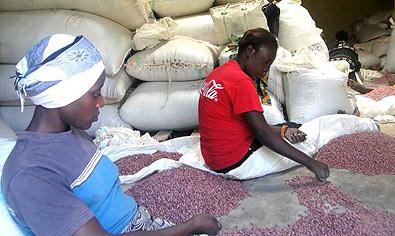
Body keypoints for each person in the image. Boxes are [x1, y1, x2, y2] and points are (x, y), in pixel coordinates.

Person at [1, 34, 221, 236]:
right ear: (62, 97)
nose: (101, 102)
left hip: (138, 224)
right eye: (95, 94)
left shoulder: (70, 133)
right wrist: (188, 227)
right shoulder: (30, 174)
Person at [198, 28, 330, 180]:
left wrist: (283, 130)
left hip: (213, 158)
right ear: (250, 51)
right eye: (265, 62)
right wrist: (310, 162)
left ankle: (287, 129)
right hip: (234, 162)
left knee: (289, 126)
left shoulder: (220, 72)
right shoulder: (241, 82)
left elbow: (247, 125)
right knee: (308, 142)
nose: (265, 70)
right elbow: (263, 134)